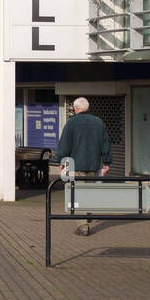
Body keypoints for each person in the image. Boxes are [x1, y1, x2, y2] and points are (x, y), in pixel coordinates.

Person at [55, 97, 112, 237]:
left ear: (75, 108)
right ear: (88, 108)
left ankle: (83, 226)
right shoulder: (99, 123)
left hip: (76, 165)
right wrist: (106, 162)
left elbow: (64, 146)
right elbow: (106, 144)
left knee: (78, 195)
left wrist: (62, 162)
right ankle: (88, 215)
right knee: (89, 192)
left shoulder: (71, 123)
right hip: (93, 165)